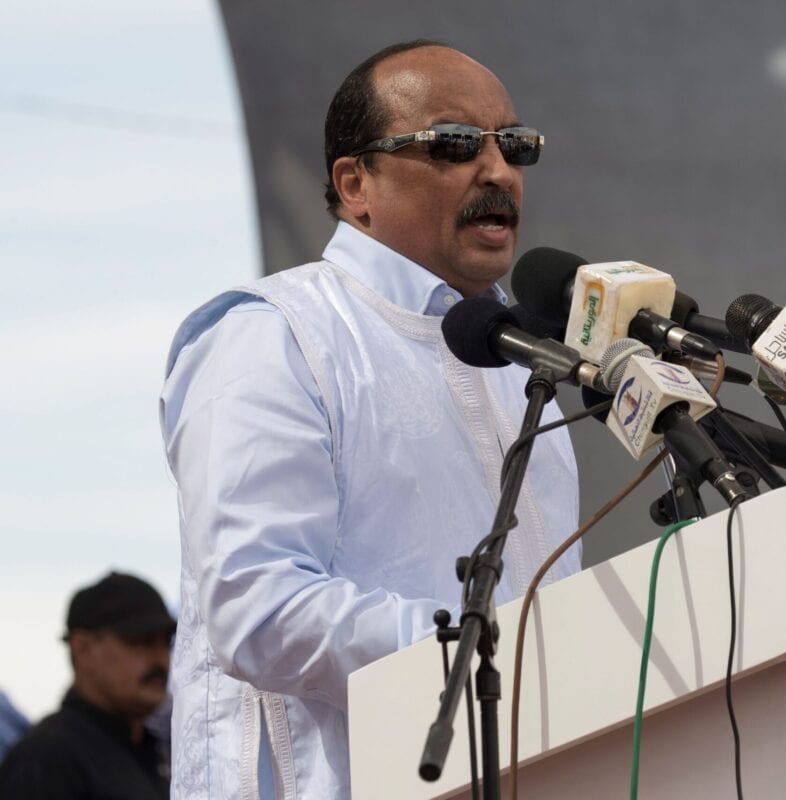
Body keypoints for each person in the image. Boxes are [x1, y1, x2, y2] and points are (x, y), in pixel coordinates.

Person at [159, 40, 580, 798]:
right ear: (356, 184)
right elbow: (256, 605)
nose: (498, 172)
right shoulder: (275, 334)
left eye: (513, 145)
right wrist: (480, 650)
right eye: (454, 145)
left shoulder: (523, 364)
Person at [0, 571, 174, 799]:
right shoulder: (47, 759)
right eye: (141, 641)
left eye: (166, 642)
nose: (160, 659)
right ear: (82, 649)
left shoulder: (153, 751)